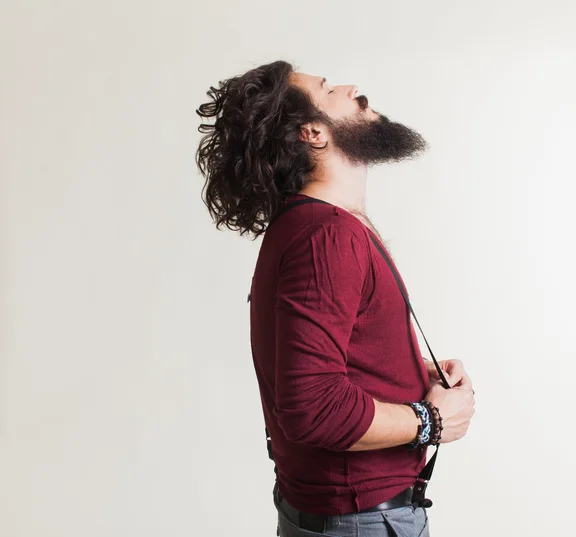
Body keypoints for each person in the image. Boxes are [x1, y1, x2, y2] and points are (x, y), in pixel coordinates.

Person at [195, 60, 475, 537]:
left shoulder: (312, 225)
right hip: (360, 521)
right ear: (313, 134)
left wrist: (409, 372)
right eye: (329, 90)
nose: (352, 89)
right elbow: (313, 407)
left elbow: (329, 361)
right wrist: (429, 421)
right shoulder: (326, 236)